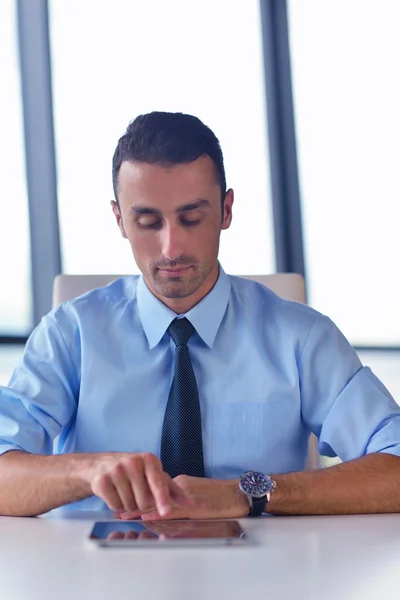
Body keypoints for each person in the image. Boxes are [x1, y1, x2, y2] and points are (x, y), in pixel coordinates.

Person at [0, 111, 399, 520]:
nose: (171, 248)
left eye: (191, 218)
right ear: (119, 220)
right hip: (95, 575)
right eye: (148, 221)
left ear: (226, 211)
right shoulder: (69, 335)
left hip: (267, 578)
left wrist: (247, 492)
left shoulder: (302, 337)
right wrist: (87, 470)